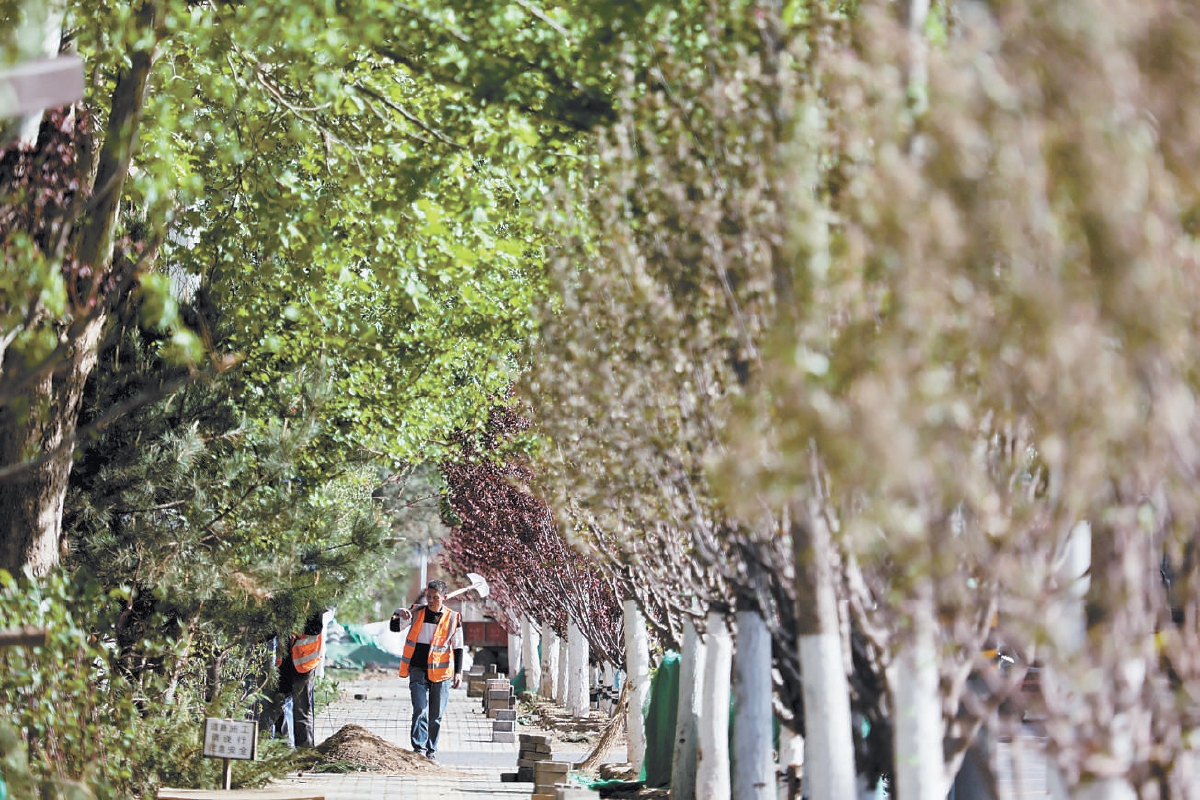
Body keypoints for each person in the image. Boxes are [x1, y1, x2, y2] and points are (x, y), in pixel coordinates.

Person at [390, 579, 464, 760]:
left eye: (435, 597)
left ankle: (432, 750)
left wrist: (458, 672)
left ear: (444, 598)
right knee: (420, 709)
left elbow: (459, 647)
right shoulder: (415, 612)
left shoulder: (453, 618)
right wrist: (397, 613)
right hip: (418, 669)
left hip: (442, 673)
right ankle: (419, 749)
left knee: (436, 715)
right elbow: (394, 627)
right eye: (428, 596)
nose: (430, 600)